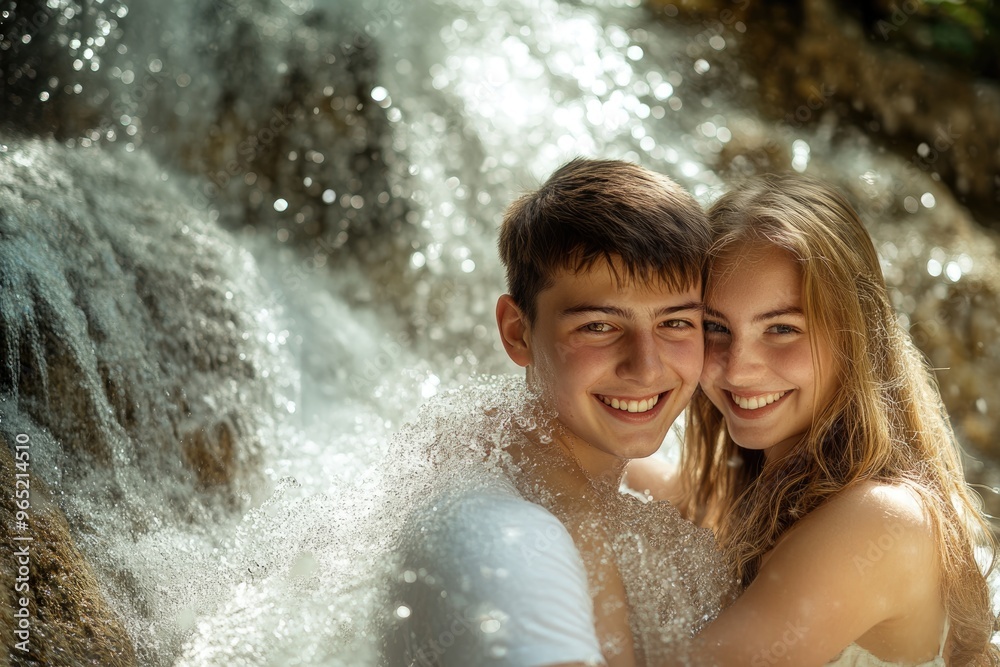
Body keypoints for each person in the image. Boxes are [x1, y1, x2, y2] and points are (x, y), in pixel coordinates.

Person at [380, 158, 734, 667]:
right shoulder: (516, 547)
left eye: (675, 322)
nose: (645, 367)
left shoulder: (536, 452)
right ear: (517, 332)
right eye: (597, 326)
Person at [660, 173, 997, 665]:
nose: (736, 367)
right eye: (715, 327)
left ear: (854, 337)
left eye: (781, 328)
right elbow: (666, 490)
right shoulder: (765, 490)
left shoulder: (879, 520)